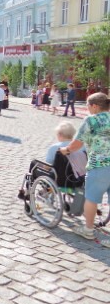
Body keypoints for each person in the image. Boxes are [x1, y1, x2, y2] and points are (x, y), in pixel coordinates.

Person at [58, 92, 110, 245]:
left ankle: (88, 229)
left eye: (88, 105)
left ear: (94, 106)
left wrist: (65, 150)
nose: (87, 108)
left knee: (91, 198)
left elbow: (77, 144)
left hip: (100, 165)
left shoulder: (91, 120)